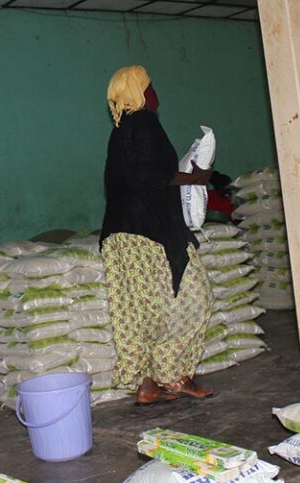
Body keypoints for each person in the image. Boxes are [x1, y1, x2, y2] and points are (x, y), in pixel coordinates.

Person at [99, 65, 215, 406]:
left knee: (138, 313)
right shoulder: (144, 123)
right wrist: (193, 179)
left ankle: (147, 384)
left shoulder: (120, 132)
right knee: (193, 297)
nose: (155, 93)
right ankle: (176, 375)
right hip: (148, 232)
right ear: (139, 91)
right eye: (150, 86)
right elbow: (154, 174)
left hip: (119, 234)